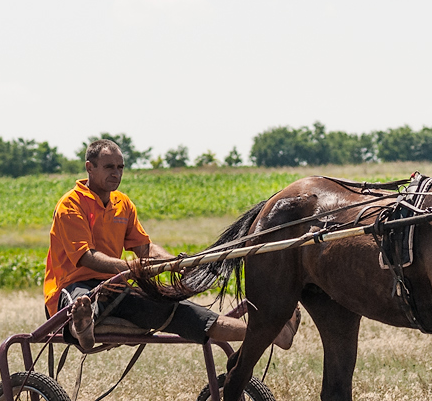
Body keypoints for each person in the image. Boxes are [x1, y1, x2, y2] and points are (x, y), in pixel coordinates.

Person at [43, 139, 299, 351]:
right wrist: (131, 268)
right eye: (109, 167)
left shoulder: (123, 203)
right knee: (84, 300)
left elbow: (145, 248)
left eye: (120, 167)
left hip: (116, 288)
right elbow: (86, 257)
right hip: (74, 286)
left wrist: (174, 263)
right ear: (90, 167)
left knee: (179, 310)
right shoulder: (71, 204)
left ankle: (272, 333)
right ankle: (84, 325)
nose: (116, 173)